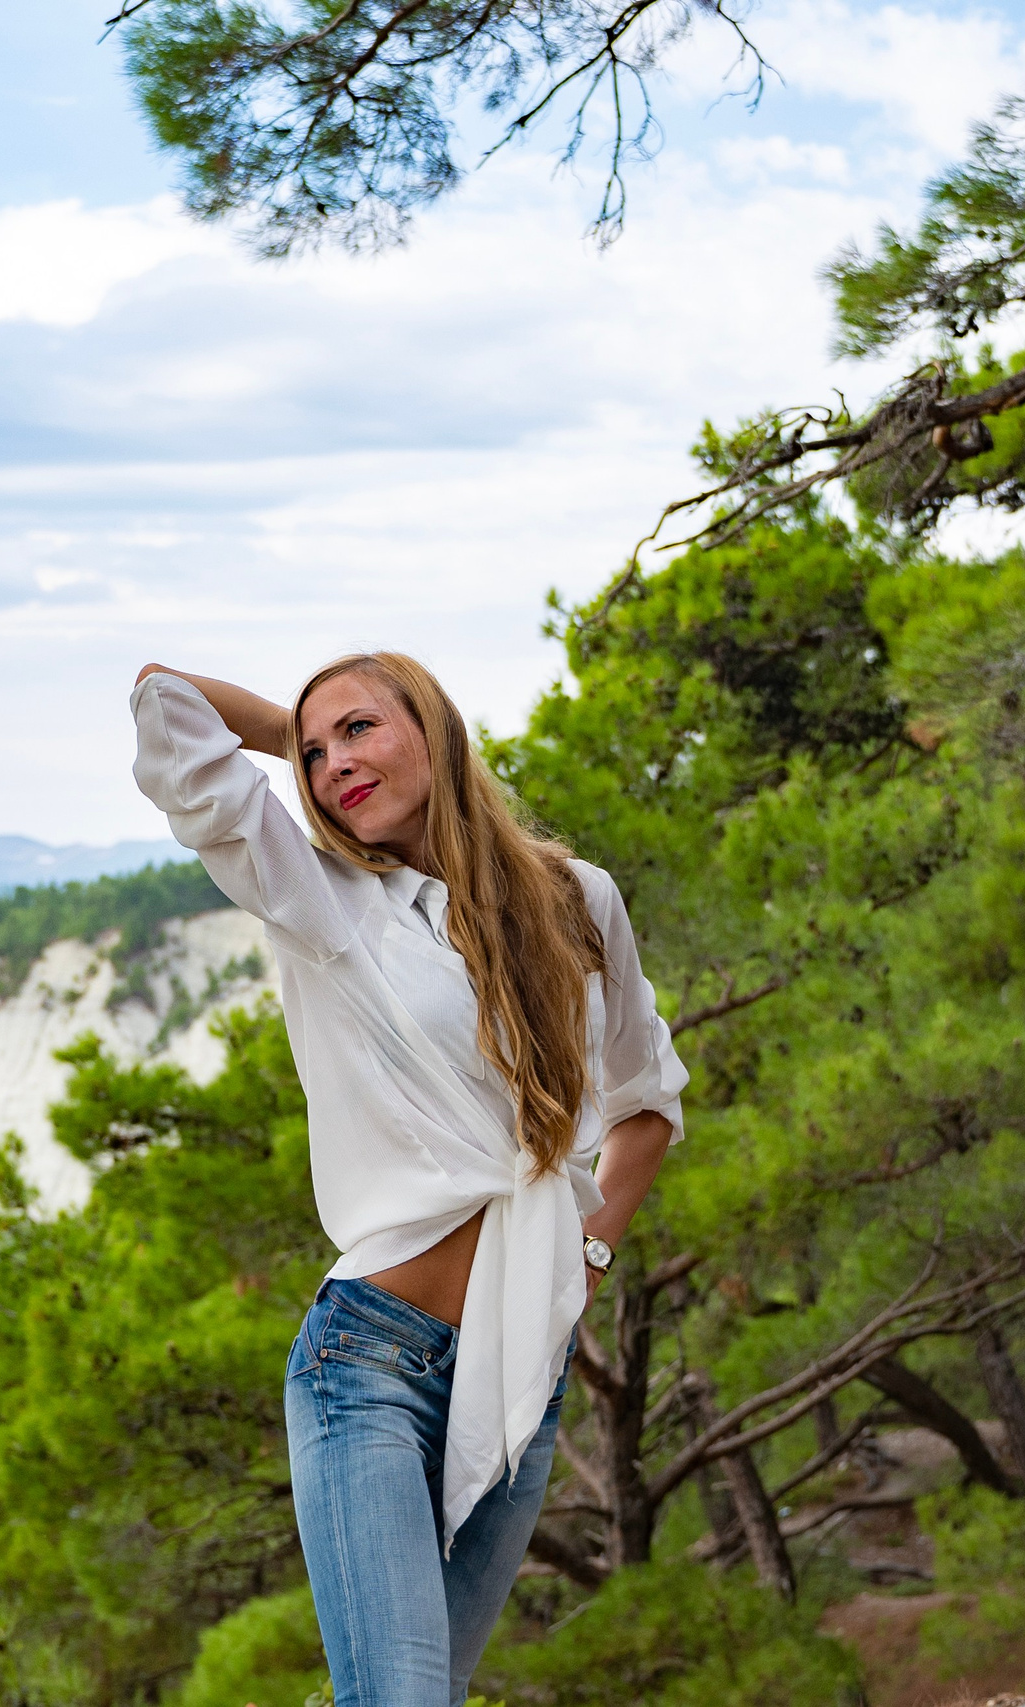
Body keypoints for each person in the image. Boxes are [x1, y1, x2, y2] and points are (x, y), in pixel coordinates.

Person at [130, 652, 688, 1707]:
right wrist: (291, 740)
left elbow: (646, 1104)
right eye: (311, 750)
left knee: (412, 1687)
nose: (331, 762)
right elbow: (169, 699)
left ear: (432, 728)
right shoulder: (325, 900)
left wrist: (590, 1252)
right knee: (400, 1695)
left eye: (359, 731)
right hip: (367, 1363)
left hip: (525, 1359)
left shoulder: (576, 900)